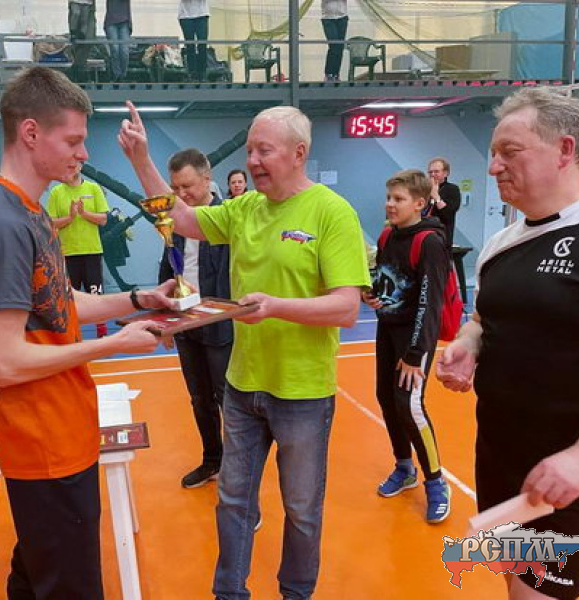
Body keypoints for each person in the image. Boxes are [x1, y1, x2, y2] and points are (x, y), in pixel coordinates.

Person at [119, 101, 370, 600]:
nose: (252, 161)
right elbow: (181, 218)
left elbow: (346, 308)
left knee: (301, 510)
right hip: (242, 386)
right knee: (233, 502)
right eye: (250, 150)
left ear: (298, 153)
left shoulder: (332, 212)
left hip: (301, 392)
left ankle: (295, 593)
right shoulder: (244, 208)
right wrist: (141, 160)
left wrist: (275, 307)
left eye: (264, 151)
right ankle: (229, 593)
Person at [0, 66, 176, 599]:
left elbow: (59, 302)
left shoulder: (30, 212)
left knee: (37, 577)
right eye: (73, 140)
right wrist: (115, 343)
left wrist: (138, 299)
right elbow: (7, 360)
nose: (83, 153)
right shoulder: (2, 223)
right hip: (42, 442)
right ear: (31, 133)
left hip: (62, 432)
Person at [437, 87, 579, 600]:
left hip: (572, 477)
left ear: (564, 150)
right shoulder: (500, 244)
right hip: (501, 461)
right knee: (515, 582)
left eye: (509, 152)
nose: (493, 167)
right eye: (493, 153)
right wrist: (469, 342)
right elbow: (485, 317)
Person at [363, 169, 451, 524]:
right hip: (387, 330)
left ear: (419, 203)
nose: (390, 204)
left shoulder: (430, 241)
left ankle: (436, 481)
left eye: (398, 199)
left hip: (414, 338)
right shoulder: (388, 235)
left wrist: (416, 353)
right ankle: (404, 467)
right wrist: (373, 294)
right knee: (386, 398)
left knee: (409, 405)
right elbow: (385, 281)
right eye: (389, 197)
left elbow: (430, 302)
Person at [158, 148, 232, 489]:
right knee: (199, 398)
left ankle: (236, 470)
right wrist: (165, 321)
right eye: (175, 188)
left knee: (228, 399)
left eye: (187, 186)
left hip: (220, 325)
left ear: (207, 178)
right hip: (185, 324)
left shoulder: (229, 218)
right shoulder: (174, 221)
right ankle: (212, 461)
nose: (181, 194)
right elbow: (167, 270)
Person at [47, 164, 110, 338]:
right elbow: (51, 223)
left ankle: (102, 332)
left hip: (91, 251)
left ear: (81, 167)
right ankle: (72, 333)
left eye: (75, 165)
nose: (72, 168)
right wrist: (70, 217)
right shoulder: (56, 192)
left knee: (96, 293)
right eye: (68, 166)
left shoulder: (93, 188)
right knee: (69, 297)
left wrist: (84, 213)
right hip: (67, 253)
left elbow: (103, 219)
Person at [425, 157, 461, 247]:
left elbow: (448, 214)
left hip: (441, 237)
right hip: (424, 235)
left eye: (436, 171)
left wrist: (436, 196)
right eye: (430, 172)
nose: (433, 174)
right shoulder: (423, 190)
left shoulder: (452, 189)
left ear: (445, 173)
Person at [179, 0, 209, 81]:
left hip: (202, 15)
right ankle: (192, 73)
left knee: (202, 45)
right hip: (185, 16)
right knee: (190, 45)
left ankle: (202, 73)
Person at [68, 0, 95, 82]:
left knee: (87, 40)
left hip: (88, 6)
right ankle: (77, 69)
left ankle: (78, 68)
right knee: (78, 40)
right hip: (77, 4)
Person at [321, 0, 348, 82]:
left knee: (340, 47)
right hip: (328, 18)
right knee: (333, 46)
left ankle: (336, 74)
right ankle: (329, 73)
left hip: (342, 17)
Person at [104, 0, 131, 82]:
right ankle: (117, 76)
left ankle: (123, 75)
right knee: (115, 49)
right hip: (111, 21)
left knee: (124, 51)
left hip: (125, 21)